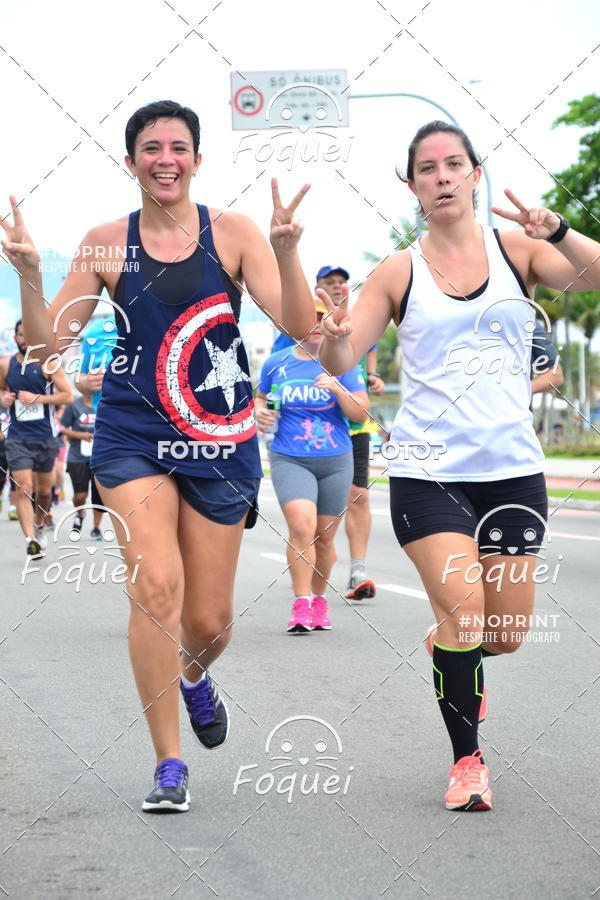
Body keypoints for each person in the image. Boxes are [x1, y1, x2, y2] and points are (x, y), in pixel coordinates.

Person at [1, 99, 314, 813]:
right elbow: (53, 349)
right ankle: (168, 764)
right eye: (151, 147)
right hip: (133, 436)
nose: (165, 158)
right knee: (155, 588)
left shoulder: (232, 234)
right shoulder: (107, 241)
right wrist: (26, 272)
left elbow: (300, 327)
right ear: (131, 160)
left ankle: (195, 677)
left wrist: (288, 253)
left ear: (197, 160)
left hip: (220, 440)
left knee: (209, 622)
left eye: (178, 147)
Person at [317, 120, 600, 812]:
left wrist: (557, 228)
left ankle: (454, 642)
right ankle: (467, 761)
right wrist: (329, 337)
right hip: (427, 472)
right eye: (427, 168)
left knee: (502, 636)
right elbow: (342, 357)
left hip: (511, 473)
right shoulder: (398, 270)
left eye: (454, 164)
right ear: (412, 186)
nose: (442, 176)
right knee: (468, 615)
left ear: (475, 175)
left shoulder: (520, 251)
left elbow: (593, 274)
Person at [255, 297, 369, 632]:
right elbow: (261, 398)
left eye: (323, 319)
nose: (317, 326)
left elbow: (360, 413)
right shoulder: (277, 362)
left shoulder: (345, 363)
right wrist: (259, 411)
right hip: (290, 456)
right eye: (310, 319)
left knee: (323, 537)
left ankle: (319, 602)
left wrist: (336, 388)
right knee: (302, 526)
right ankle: (300, 603)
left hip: (335, 458)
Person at [0, 320, 72, 557]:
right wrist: (4, 399)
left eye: (28, 335)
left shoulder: (48, 364)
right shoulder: (5, 365)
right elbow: (1, 391)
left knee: (44, 492)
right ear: (16, 337)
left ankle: (39, 523)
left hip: (45, 438)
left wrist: (37, 399)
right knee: (24, 488)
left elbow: (67, 396)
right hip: (17, 438)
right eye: (21, 335)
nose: (24, 340)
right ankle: (31, 539)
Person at [60, 393, 105, 538]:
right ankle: (80, 512)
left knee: (99, 496)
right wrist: (81, 436)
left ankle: (96, 528)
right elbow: (61, 428)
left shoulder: (105, 402)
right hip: (77, 456)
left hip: (101, 456)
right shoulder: (74, 405)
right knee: (80, 496)